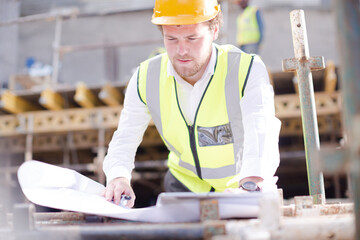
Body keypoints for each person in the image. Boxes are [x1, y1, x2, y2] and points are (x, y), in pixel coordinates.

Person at [103, 0, 281, 208]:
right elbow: (125, 137)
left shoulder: (246, 69)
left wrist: (253, 182)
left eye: (192, 38)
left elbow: (261, 128)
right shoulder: (145, 77)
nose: (182, 51)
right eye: (171, 39)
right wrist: (118, 178)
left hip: (241, 186)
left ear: (214, 31)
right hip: (183, 186)